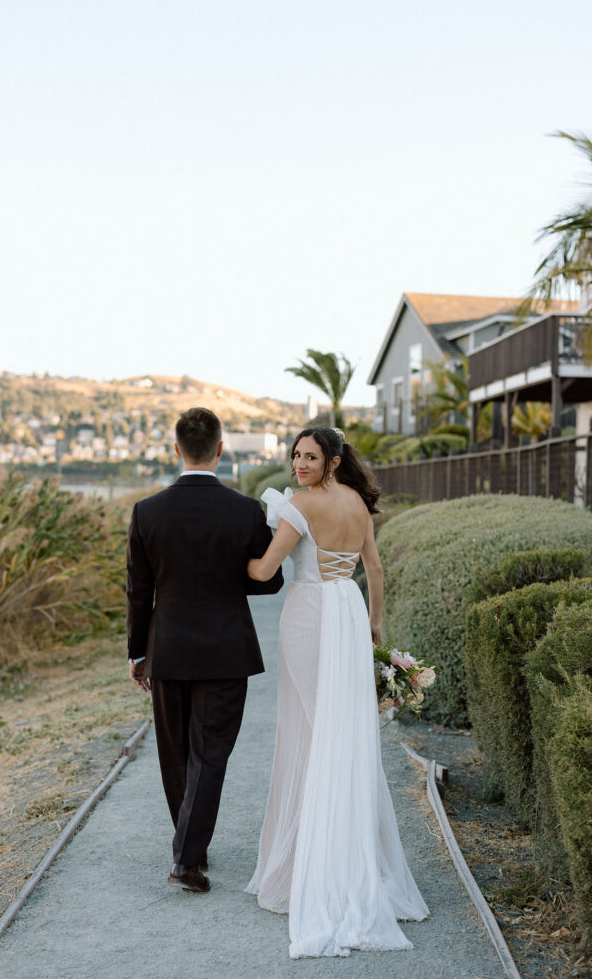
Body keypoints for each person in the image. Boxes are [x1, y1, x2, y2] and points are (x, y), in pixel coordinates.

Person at [245, 426, 429, 958]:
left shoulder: (301, 505)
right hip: (348, 612)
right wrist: (373, 627)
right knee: (342, 734)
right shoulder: (357, 503)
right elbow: (373, 568)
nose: (298, 464)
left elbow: (264, 568)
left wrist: (232, 556)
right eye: (295, 455)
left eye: (309, 456)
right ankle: (343, 859)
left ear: (331, 461)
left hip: (309, 614)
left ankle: (309, 870)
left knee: (308, 731)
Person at [126, 407, 284, 894]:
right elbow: (271, 580)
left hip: (166, 649)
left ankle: (189, 852)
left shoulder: (146, 512)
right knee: (209, 754)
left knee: (175, 755)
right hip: (225, 650)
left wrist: (137, 655)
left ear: (177, 449)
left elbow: (138, 591)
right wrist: (226, 581)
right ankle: (188, 857)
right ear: (221, 449)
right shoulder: (245, 511)